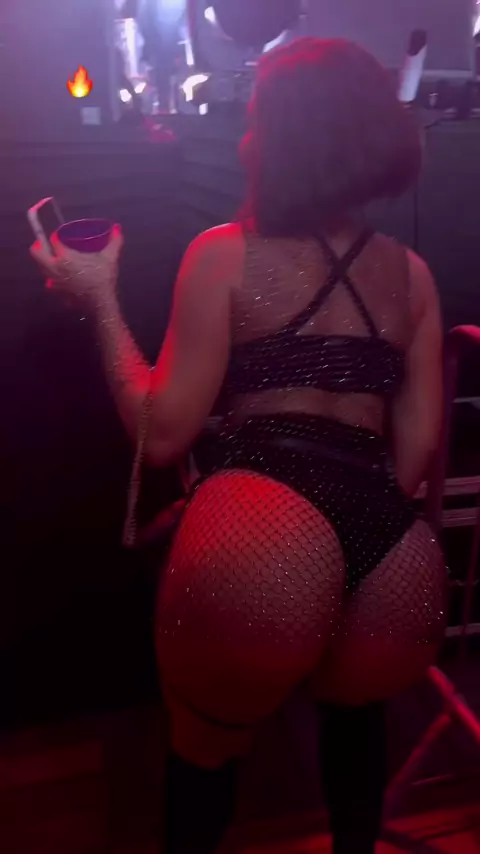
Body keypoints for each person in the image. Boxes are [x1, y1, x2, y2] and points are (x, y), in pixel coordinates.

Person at [31, 38, 446, 854]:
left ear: (277, 139)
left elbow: (162, 433)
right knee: (358, 728)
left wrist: (100, 301)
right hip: (395, 555)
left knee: (204, 756)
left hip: (263, 524)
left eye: (257, 118)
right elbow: (414, 455)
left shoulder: (224, 252)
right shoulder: (414, 275)